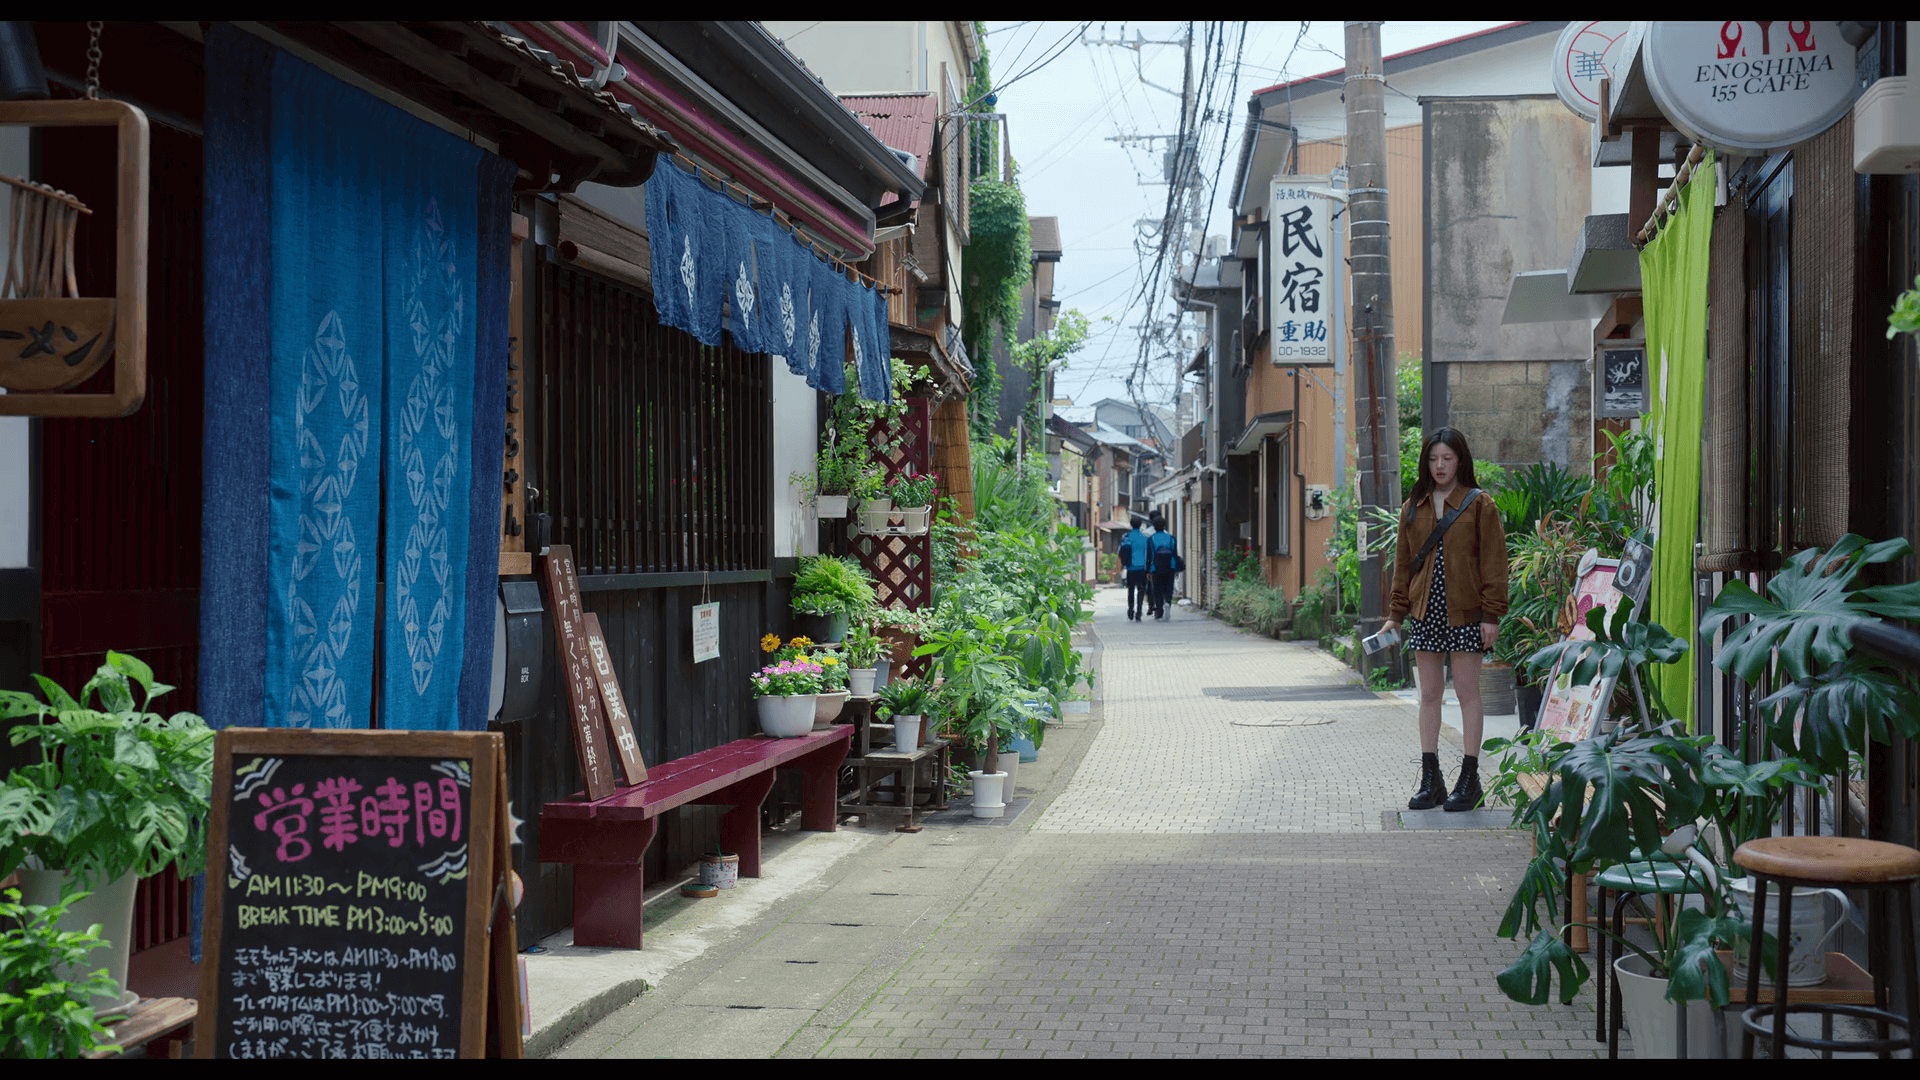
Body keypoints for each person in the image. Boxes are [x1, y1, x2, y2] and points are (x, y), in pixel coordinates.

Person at [1381, 427, 1509, 812]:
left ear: (1460, 461)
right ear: (1426, 462)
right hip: (1424, 612)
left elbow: (1494, 563)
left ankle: (1469, 780)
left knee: (1468, 694)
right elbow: (1403, 566)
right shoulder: (1413, 506)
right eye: (1434, 459)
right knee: (1429, 697)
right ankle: (1431, 778)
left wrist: (1491, 616)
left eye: (1447, 459)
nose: (1440, 466)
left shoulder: (1479, 504)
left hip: (1467, 612)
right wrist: (1395, 615)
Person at [1118, 515, 1151, 621]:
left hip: (1130, 568)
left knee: (1131, 590)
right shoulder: (1145, 538)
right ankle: (1139, 611)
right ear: (1140, 525)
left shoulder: (1126, 537)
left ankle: (1131, 610)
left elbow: (1120, 552)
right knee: (1141, 590)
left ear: (1131, 524)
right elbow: (1149, 554)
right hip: (1142, 568)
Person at [1147, 511, 1177, 620]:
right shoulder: (1171, 538)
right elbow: (1174, 553)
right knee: (1169, 588)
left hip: (1156, 568)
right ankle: (1168, 603)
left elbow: (1149, 556)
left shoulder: (1151, 539)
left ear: (1154, 527)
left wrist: (1148, 570)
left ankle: (1159, 611)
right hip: (1170, 567)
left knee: (1157, 590)